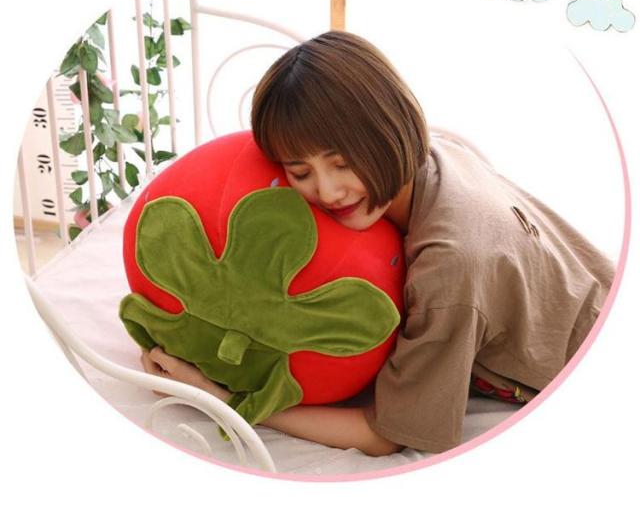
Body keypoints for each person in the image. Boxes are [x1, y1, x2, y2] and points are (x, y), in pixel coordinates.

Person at [141, 30, 615, 457]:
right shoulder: (436, 155)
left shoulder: (450, 266)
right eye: (301, 172)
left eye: (343, 163)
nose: (328, 192)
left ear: (390, 130)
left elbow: (386, 434)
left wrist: (222, 398)